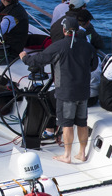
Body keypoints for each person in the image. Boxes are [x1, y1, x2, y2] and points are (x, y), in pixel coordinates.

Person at [19, 16, 95, 163]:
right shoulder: (88, 46)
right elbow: (93, 65)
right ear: (78, 30)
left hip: (66, 93)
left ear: (64, 30)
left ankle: (66, 155)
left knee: (66, 124)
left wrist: (24, 58)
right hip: (84, 92)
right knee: (82, 123)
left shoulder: (59, 46)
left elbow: (39, 59)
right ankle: (82, 153)